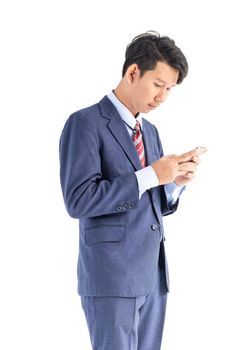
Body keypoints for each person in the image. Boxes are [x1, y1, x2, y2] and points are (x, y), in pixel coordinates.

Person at [59, 30, 206, 350]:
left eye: (169, 89)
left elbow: (148, 199)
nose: (162, 97)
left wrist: (173, 185)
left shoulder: (149, 131)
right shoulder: (85, 122)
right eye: (158, 85)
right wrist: (151, 175)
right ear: (132, 72)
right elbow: (78, 200)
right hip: (111, 276)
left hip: (153, 275)